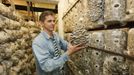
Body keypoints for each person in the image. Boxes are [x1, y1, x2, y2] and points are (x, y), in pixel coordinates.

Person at [32, 11, 84, 75]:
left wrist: (70, 45)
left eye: (54, 21)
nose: (53, 23)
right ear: (41, 23)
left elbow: (64, 44)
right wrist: (68, 53)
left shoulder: (55, 35)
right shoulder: (38, 42)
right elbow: (47, 66)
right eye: (49, 21)